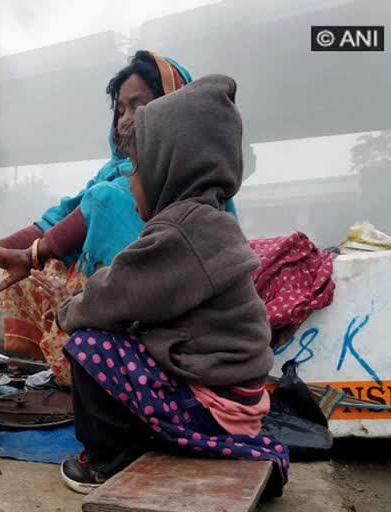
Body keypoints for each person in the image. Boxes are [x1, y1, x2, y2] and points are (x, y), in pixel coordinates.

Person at [31, 75, 288, 495]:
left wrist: (66, 308)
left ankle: (107, 460)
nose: (129, 186)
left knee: (91, 343)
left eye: (137, 172)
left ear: (170, 169)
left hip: (214, 407)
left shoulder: (179, 232)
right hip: (233, 398)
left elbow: (114, 297)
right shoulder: (209, 221)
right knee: (118, 335)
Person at [0, 51, 237, 386]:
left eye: (138, 105)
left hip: (163, 321)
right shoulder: (112, 174)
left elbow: (96, 207)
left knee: (92, 216)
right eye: (120, 109)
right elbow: (60, 220)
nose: (125, 119)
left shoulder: (190, 190)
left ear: (172, 109)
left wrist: (33, 256)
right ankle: (76, 362)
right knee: (32, 275)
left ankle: (97, 365)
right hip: (120, 299)